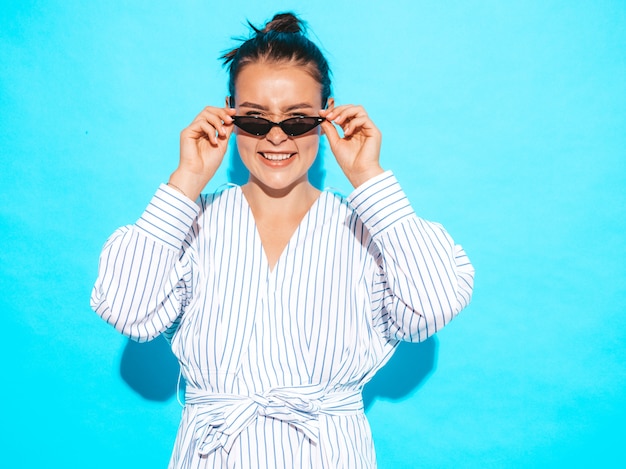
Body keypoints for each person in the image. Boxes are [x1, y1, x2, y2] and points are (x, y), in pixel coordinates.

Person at [91, 12, 474, 469]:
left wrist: (369, 179)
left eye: (296, 121)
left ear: (327, 116)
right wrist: (187, 181)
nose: (276, 137)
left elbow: (430, 308)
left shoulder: (367, 231)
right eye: (254, 120)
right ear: (228, 114)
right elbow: (128, 310)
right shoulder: (195, 223)